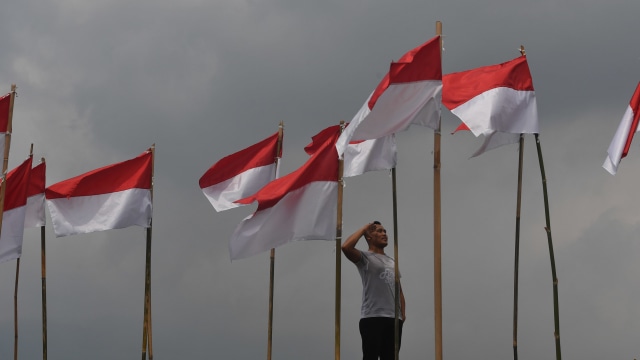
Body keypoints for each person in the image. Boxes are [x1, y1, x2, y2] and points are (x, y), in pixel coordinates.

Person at [342, 221, 405, 360]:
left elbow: (399, 289)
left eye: (385, 231)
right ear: (369, 237)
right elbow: (346, 247)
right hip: (373, 317)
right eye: (379, 231)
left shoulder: (392, 261)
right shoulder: (365, 258)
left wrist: (402, 316)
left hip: (393, 319)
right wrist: (365, 228)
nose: (384, 234)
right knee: (370, 356)